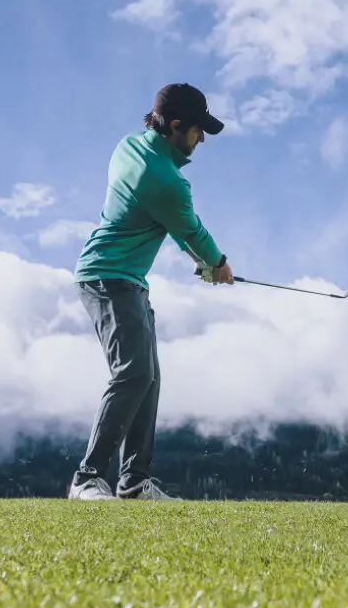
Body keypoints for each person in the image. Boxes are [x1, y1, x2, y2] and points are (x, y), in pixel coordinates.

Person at [68, 83, 234, 501]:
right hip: (108, 277)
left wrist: (201, 261)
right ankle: (87, 479)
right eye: (199, 132)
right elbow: (190, 229)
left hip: (129, 281)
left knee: (149, 378)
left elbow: (170, 223)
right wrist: (218, 265)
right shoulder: (168, 181)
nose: (201, 140)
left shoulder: (128, 147)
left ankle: (135, 481)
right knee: (134, 374)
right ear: (176, 126)